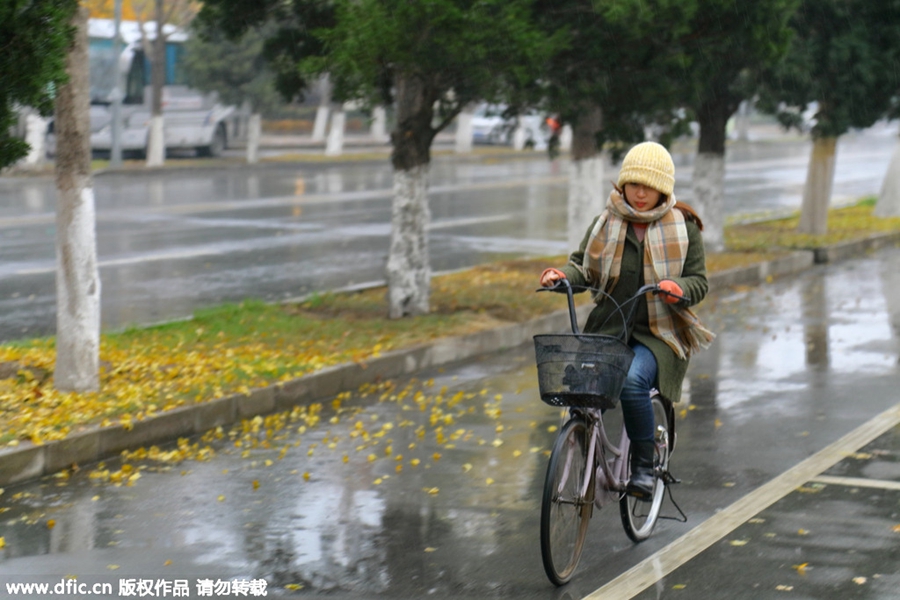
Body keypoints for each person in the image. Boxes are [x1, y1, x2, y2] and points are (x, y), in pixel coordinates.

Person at [539, 141, 715, 501]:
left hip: (659, 335)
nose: (639, 193)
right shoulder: (606, 222)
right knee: (577, 383)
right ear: (622, 185)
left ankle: (644, 468)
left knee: (633, 383)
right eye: (633, 184)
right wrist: (562, 277)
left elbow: (699, 283)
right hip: (608, 330)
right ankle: (583, 440)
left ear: (662, 188)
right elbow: (582, 268)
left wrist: (676, 287)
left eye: (648, 186)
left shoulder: (684, 227)